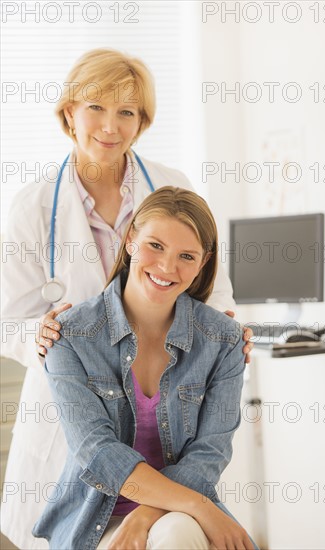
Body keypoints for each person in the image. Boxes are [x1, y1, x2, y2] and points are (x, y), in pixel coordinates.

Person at [1, 48, 253, 549]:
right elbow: (8, 318)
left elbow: (211, 286)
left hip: (166, 401)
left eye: (127, 112)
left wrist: (224, 335)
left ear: (143, 121)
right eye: (95, 107)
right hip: (72, 409)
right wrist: (46, 338)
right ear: (69, 112)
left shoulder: (172, 187)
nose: (109, 126)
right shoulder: (32, 207)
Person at [32, 186, 258, 550]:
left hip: (182, 513)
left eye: (186, 255)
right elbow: (98, 451)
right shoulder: (69, 335)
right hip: (96, 521)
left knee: (178, 532)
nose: (168, 267)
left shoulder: (225, 340)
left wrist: (145, 513)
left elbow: (210, 453)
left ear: (204, 262)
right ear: (131, 239)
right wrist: (196, 504)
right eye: (156, 245)